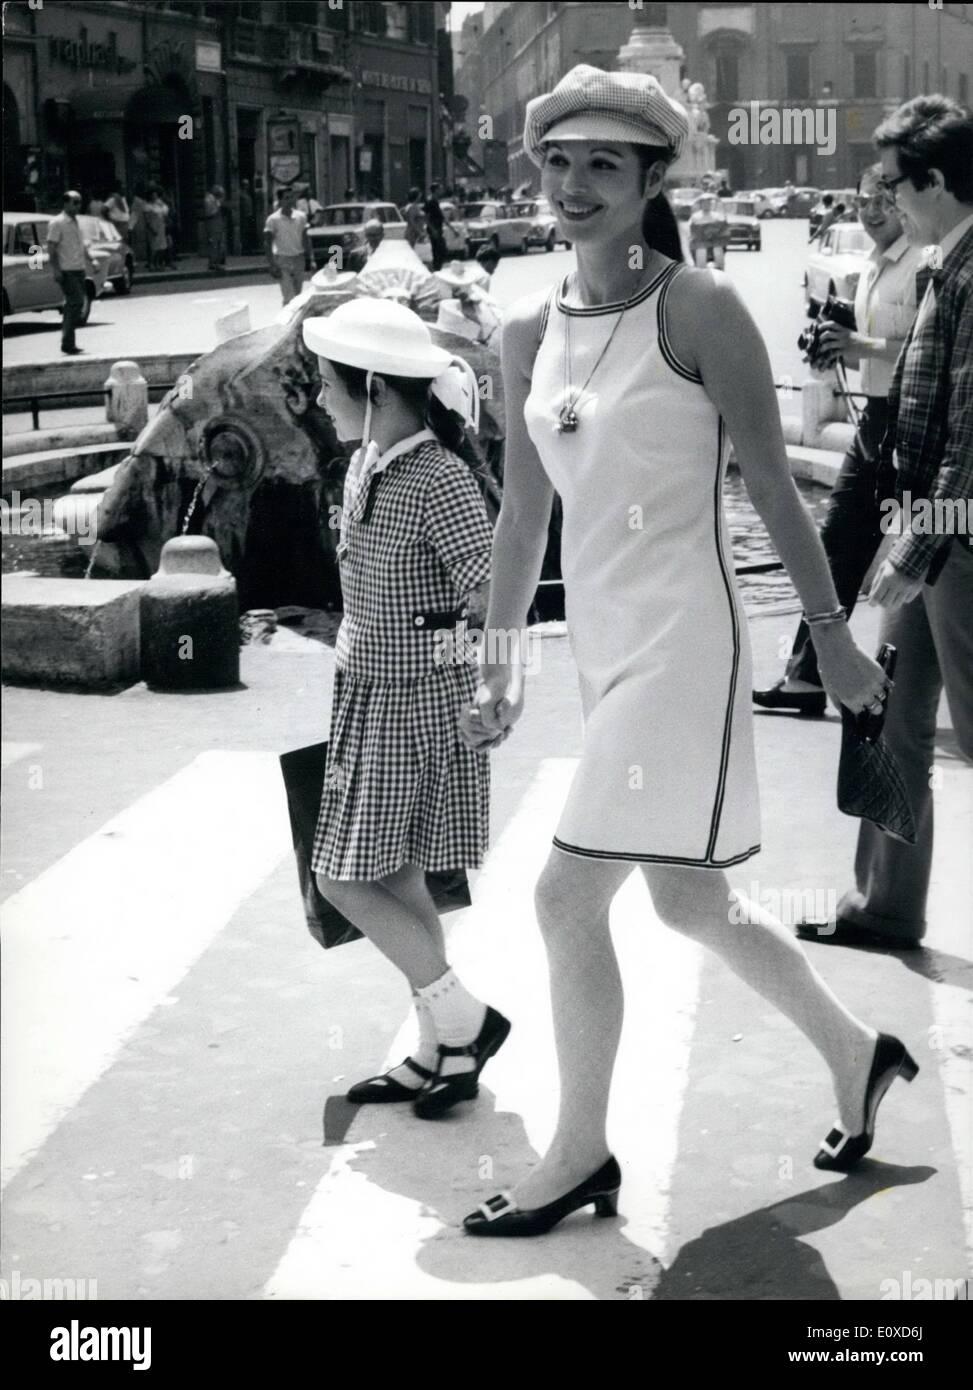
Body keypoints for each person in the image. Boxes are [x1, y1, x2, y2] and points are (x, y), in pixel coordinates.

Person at [459, 65, 913, 1237]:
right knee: (690, 904)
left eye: (605, 164)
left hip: (688, 643)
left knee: (564, 896)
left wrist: (833, 642)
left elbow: (774, 488)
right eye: (557, 162)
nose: (573, 185)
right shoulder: (523, 331)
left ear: (651, 177)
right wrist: (496, 656)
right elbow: (521, 516)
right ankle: (858, 1054)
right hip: (601, 650)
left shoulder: (698, 308)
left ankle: (578, 1152)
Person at [300, 298, 510, 1117]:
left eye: (328, 385)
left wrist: (479, 687)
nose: (319, 399)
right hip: (364, 694)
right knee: (397, 874)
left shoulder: (441, 479)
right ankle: (442, 1050)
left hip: (415, 706)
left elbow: (491, 594)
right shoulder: (367, 462)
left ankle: (468, 1020)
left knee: (340, 879)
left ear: (377, 387)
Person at [798, 95, 973, 950]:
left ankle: (885, 903)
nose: (885, 200)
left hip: (957, 545)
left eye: (896, 184)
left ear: (935, 181)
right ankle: (884, 906)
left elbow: (972, 440)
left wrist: (915, 545)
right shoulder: (952, 259)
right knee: (890, 716)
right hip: (934, 535)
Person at [754, 164, 921, 715]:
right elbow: (873, 344)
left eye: (881, 201)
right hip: (874, 421)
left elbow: (932, 358)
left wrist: (861, 345)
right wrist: (836, 344)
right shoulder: (873, 268)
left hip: (914, 423)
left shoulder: (923, 264)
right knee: (836, 548)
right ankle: (804, 678)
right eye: (861, 202)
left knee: (943, 553)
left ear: (904, 203)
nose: (870, 212)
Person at [46, 189, 96, 356]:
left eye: (79, 202)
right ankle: (67, 342)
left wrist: (91, 259)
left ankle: (69, 342)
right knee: (75, 303)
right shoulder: (57, 223)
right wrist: (56, 270)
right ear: (66, 203)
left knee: (74, 304)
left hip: (79, 268)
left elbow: (80, 245)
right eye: (74, 202)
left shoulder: (76, 222)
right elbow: (51, 248)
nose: (78, 206)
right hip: (66, 270)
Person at [263, 185, 312, 304]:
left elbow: (305, 237)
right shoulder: (273, 220)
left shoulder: (301, 216)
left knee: (297, 295)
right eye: (286, 198)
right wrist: (272, 264)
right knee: (288, 295)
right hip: (282, 259)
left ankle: (295, 320)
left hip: (298, 258)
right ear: (280, 201)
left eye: (291, 197)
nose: (290, 200)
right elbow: (267, 242)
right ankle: (287, 321)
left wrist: (310, 257)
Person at [423, 182, 448, 271]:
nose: (441, 191)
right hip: (434, 229)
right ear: (436, 190)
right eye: (440, 189)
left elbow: (441, 216)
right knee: (437, 251)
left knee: (441, 251)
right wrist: (433, 229)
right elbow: (426, 217)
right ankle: (435, 270)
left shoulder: (435, 201)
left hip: (438, 229)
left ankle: (437, 269)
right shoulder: (430, 201)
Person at [143, 187, 168, 269]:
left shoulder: (159, 205)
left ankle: (158, 263)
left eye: (156, 196)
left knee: (161, 248)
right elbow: (147, 220)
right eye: (153, 196)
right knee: (154, 248)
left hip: (161, 227)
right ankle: (151, 264)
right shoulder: (147, 206)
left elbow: (164, 213)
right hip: (153, 227)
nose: (155, 197)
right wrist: (151, 229)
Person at [203, 184, 226, 271]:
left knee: (219, 244)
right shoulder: (209, 199)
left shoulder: (215, 200)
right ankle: (213, 263)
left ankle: (217, 262)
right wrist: (218, 206)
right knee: (214, 244)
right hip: (212, 224)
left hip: (217, 224)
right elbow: (209, 213)